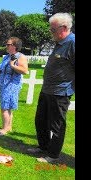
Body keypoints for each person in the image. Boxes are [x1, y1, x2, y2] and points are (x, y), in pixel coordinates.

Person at [27, 13, 75, 163]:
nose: (50, 32)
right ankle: (43, 146)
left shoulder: (72, 43)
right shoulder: (59, 42)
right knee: (40, 121)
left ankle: (53, 155)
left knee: (56, 125)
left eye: (53, 29)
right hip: (47, 89)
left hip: (60, 92)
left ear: (64, 28)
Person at [0, 37, 28, 136]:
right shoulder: (6, 56)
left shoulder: (20, 57)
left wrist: (13, 65)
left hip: (11, 85)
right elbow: (1, 70)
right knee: (7, 107)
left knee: (4, 107)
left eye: (8, 44)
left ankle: (4, 129)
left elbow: (25, 71)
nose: (6, 46)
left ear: (14, 46)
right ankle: (9, 127)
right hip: (3, 84)